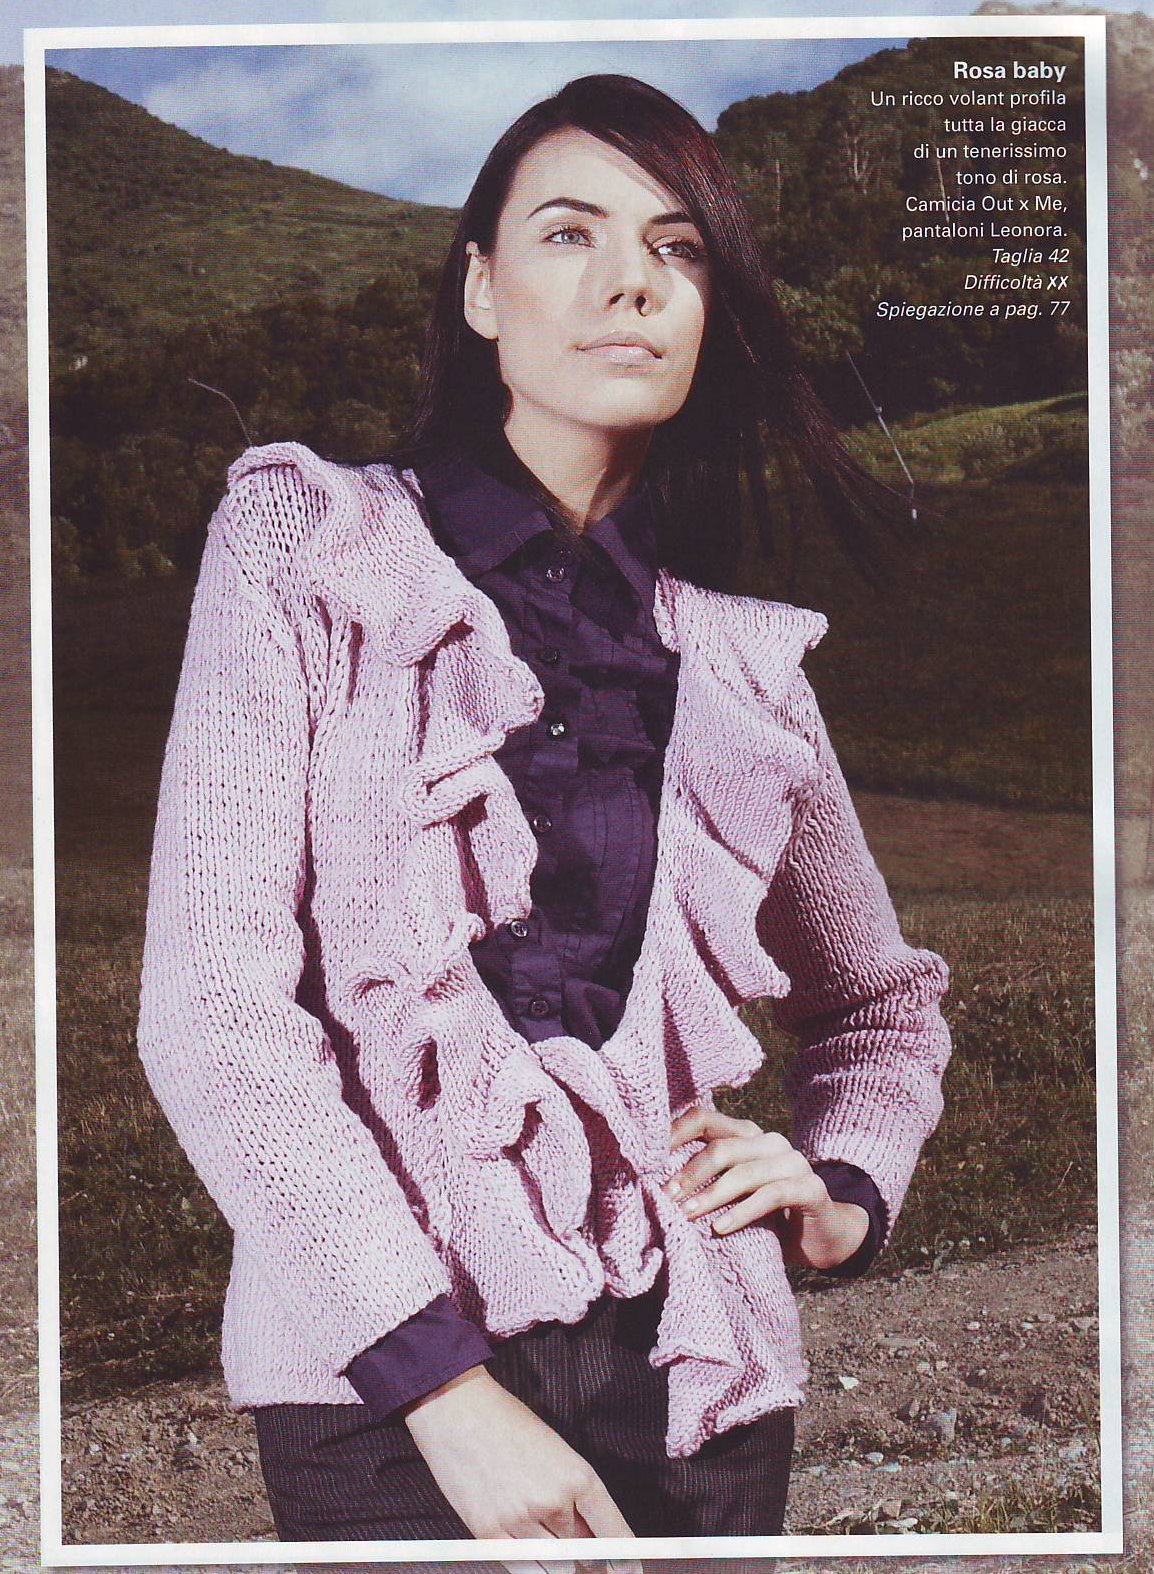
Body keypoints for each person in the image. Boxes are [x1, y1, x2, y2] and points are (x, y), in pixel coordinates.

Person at [136, 72, 951, 1550]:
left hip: (696, 1376)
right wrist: (445, 1393)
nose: (630, 280)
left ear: (709, 310)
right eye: (570, 233)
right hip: (384, 1390)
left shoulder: (740, 661)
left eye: (677, 247)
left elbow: (880, 1008)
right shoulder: (308, 547)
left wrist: (839, 1192)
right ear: (481, 291)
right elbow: (214, 1011)